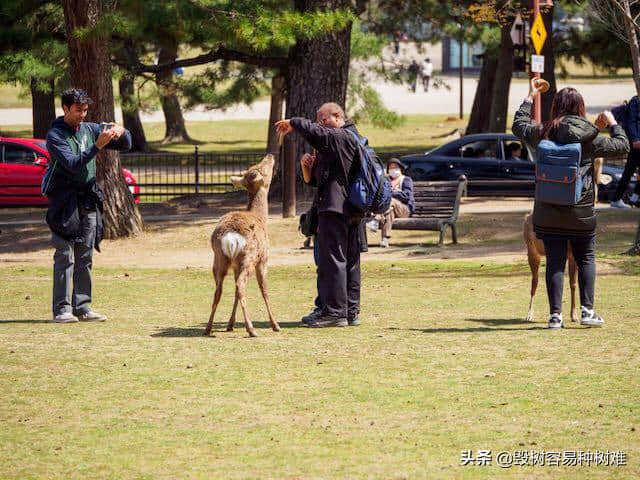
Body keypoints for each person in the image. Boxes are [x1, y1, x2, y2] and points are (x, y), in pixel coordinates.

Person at [512, 79, 629, 329]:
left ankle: (555, 316)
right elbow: (623, 146)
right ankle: (587, 311)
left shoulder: (543, 131)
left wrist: (530, 96)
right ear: (580, 108)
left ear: (556, 107)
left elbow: (518, 125)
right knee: (586, 257)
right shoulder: (589, 136)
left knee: (554, 260)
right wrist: (613, 123)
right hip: (581, 210)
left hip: (547, 210)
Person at [45, 88, 132, 323]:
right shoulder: (55, 135)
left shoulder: (91, 128)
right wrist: (97, 146)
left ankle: (83, 308)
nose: (82, 115)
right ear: (65, 109)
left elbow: (126, 144)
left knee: (85, 255)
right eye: (77, 110)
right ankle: (62, 310)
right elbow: (72, 163)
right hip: (64, 201)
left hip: (88, 198)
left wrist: (121, 131)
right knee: (65, 255)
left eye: (85, 110)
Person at [276, 103, 361, 328]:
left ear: (337, 116)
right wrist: (307, 168)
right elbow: (315, 181)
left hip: (336, 208)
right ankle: (348, 310)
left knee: (332, 261)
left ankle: (334, 312)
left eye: (323, 119)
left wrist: (293, 122)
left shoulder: (342, 136)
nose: (320, 124)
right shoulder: (343, 140)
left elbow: (316, 133)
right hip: (347, 207)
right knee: (347, 260)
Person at [368, 158, 414, 247]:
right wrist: (394, 192)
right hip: (390, 209)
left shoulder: (406, 180)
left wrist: (392, 193)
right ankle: (385, 240)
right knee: (389, 213)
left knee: (390, 201)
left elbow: (407, 196)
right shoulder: (386, 180)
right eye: (391, 168)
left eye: (395, 167)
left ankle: (376, 218)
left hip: (404, 210)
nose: (393, 170)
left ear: (400, 169)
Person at [610, 94, 640, 208]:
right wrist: (635, 139)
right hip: (637, 143)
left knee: (630, 170)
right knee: (629, 170)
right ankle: (617, 199)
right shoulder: (636, 100)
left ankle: (633, 198)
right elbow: (631, 121)